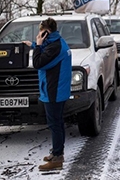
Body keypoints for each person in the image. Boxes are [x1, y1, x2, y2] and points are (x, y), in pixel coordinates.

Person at [23, 17, 72, 171]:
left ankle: (57, 157)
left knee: (55, 124)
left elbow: (38, 63)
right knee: (57, 122)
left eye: (40, 31)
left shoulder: (55, 47)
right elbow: (48, 50)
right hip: (57, 89)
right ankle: (57, 153)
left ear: (46, 32)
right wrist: (33, 44)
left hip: (54, 91)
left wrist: (36, 46)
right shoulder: (57, 42)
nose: (38, 34)